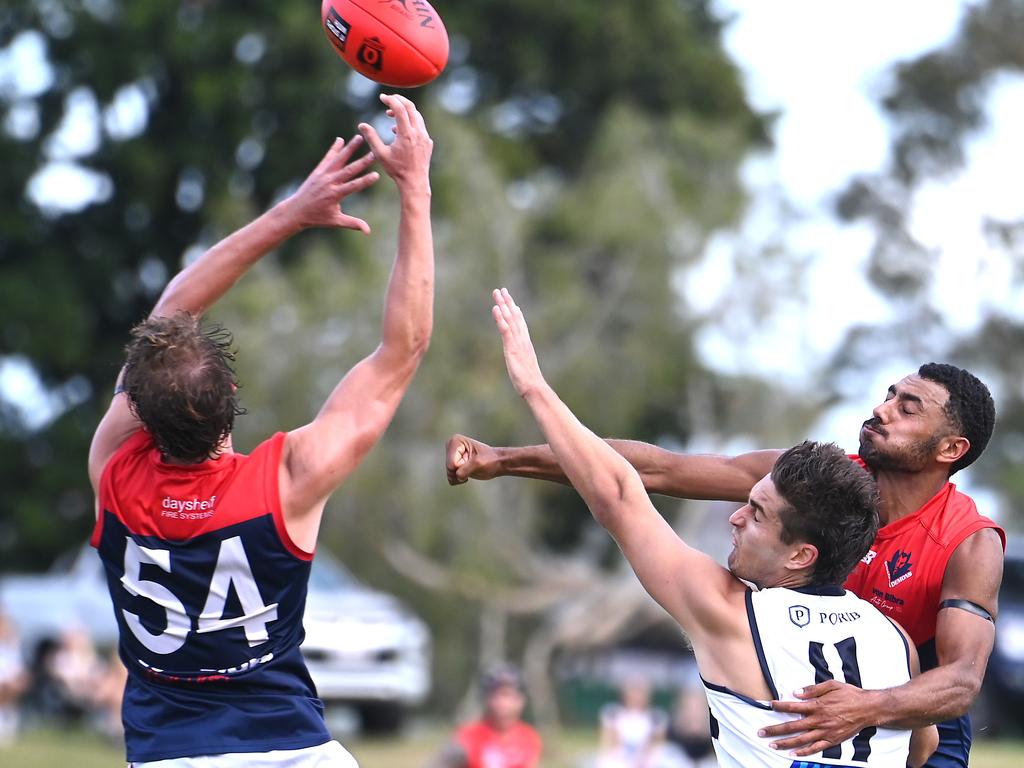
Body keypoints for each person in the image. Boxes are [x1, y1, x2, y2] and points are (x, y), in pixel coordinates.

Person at [87, 93, 434, 767]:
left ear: (136, 412)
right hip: (291, 751)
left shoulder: (112, 469)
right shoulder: (286, 482)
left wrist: (288, 215)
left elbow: (168, 312)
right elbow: (404, 349)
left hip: (166, 756)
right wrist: (414, 189)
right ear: (233, 398)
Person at [466, 287, 940, 767]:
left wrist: (534, 387)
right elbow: (924, 748)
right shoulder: (894, 639)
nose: (735, 517)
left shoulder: (731, 613)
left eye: (756, 514)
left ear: (801, 555)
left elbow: (618, 494)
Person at [430, 665, 542, 768]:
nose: (502, 702)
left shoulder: (529, 737)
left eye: (507, 695)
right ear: (486, 699)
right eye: (495, 695)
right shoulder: (467, 738)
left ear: (521, 700)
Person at [596, 677, 668, 768]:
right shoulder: (614, 713)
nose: (637, 696)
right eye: (633, 691)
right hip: (620, 758)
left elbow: (657, 744)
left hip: (645, 758)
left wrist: (643, 759)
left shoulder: (655, 717)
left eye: (640, 692)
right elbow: (609, 742)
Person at [0, 611, 28, 745]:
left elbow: (18, 669)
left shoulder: (12, 648)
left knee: (13, 687)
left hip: (8, 683)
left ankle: (8, 723)